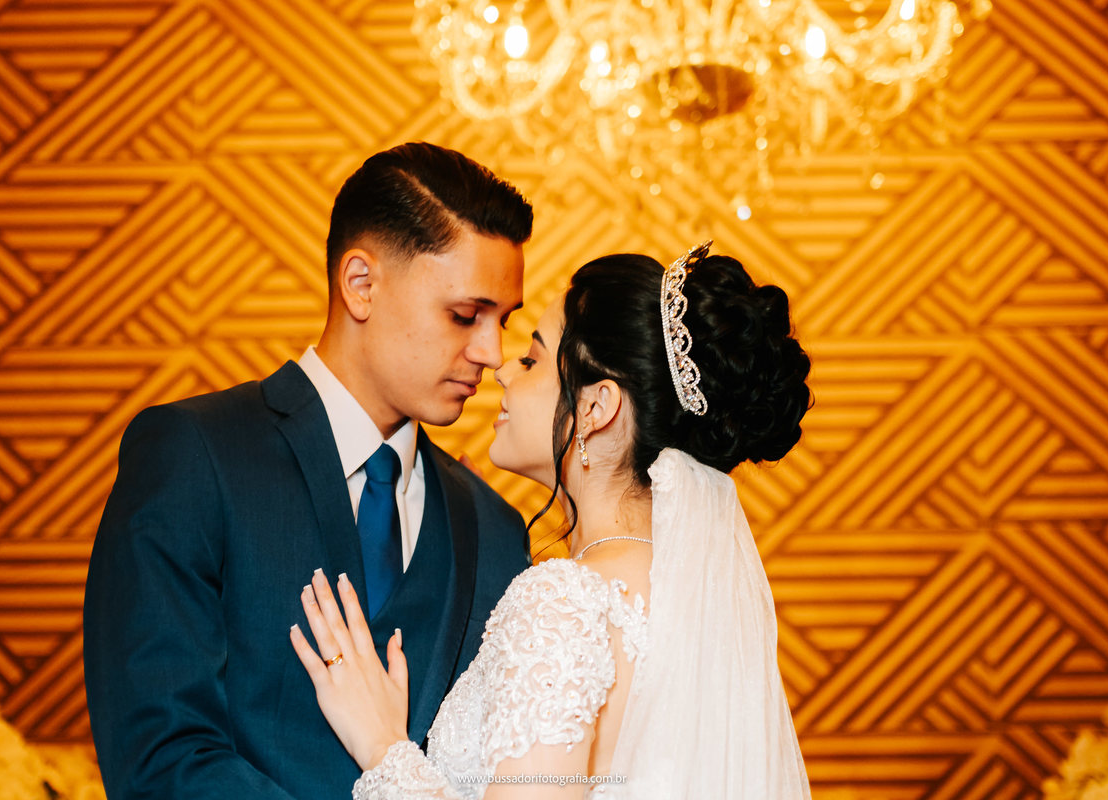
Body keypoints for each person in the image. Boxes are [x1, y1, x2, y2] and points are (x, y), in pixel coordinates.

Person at [83, 142, 536, 799]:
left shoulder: (494, 529)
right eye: (465, 315)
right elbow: (160, 756)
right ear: (361, 285)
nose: (492, 352)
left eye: (503, 321)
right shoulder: (194, 454)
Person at [289, 241, 815, 798]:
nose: (501, 371)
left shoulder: (566, 601)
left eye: (533, 360)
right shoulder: (695, 600)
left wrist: (383, 748)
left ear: (596, 407)